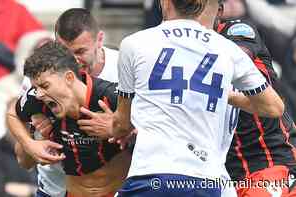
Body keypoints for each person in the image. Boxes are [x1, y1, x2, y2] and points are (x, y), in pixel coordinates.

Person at [85, 0, 284, 196]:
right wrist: (221, 92)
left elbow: (123, 124)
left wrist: (113, 127)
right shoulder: (227, 48)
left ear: (165, 2)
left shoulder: (134, 43)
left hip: (152, 176)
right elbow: (274, 108)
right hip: (207, 180)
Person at [7, 8, 119, 197]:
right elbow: (15, 119)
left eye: (80, 51)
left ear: (99, 40)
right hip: (54, 189)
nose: (73, 61)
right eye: (64, 52)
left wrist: (119, 126)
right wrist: (30, 142)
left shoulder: (123, 67)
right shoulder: (41, 78)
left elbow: (156, 126)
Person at [215, 2, 296, 197]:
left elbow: (234, 59)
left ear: (218, 10)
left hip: (267, 164)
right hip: (221, 174)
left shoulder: (237, 30)